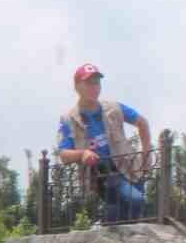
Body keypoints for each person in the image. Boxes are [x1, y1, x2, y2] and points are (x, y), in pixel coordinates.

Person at [57, 62, 152, 223]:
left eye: (97, 83)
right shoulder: (68, 119)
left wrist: (146, 153)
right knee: (135, 200)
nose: (94, 87)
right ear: (77, 87)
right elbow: (63, 154)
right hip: (102, 173)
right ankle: (108, 226)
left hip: (128, 166)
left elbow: (142, 122)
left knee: (128, 211)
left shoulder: (114, 108)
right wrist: (82, 153)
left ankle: (108, 229)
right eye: (88, 83)